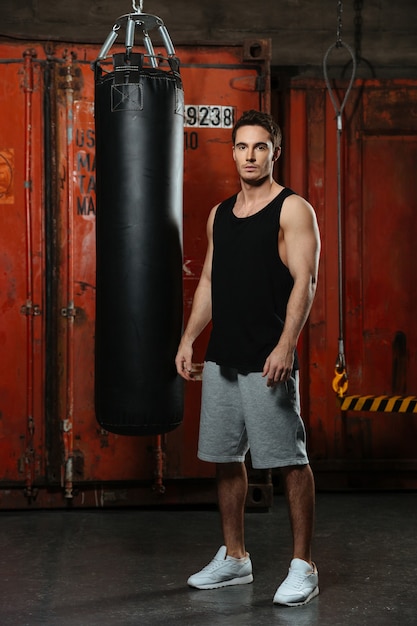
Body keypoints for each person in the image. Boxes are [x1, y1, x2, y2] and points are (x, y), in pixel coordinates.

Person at [175, 109, 321, 607]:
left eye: (260, 146)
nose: (251, 155)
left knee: (289, 461)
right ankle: (235, 558)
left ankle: (304, 566)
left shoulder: (292, 209)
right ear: (233, 152)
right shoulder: (220, 214)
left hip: (268, 359)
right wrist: (189, 339)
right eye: (242, 146)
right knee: (225, 458)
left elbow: (307, 280)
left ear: (274, 151)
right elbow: (210, 283)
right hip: (223, 359)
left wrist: (286, 344)